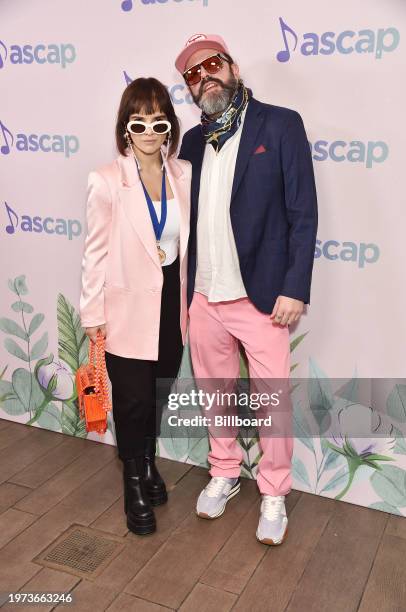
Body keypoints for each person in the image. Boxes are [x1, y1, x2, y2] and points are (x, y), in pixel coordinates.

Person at [175, 34, 318, 545]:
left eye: (211, 64)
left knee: (272, 401)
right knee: (215, 394)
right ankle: (225, 471)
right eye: (193, 73)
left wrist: (295, 286)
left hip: (263, 297)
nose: (203, 76)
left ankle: (274, 492)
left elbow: (303, 213)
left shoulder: (280, 124)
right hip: (205, 296)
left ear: (232, 66)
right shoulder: (191, 143)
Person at [79, 78, 191, 536]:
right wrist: (92, 316)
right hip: (124, 307)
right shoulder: (106, 180)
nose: (148, 131)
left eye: (158, 121)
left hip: (171, 306)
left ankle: (147, 463)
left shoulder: (183, 173)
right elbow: (95, 253)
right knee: (131, 401)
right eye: (138, 122)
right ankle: (134, 483)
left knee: (158, 396)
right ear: (126, 128)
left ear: (169, 128)